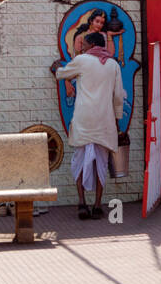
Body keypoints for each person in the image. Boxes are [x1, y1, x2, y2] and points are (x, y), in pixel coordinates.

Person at [52, 32, 125, 220]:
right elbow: (118, 97)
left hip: (84, 120)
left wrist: (56, 68)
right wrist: (117, 121)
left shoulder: (82, 60)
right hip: (105, 121)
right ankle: (98, 205)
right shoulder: (113, 65)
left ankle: (82, 203)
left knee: (79, 162)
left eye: (84, 44)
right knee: (101, 163)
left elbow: (62, 74)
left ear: (91, 44)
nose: (82, 47)